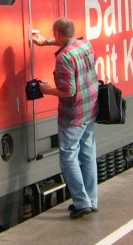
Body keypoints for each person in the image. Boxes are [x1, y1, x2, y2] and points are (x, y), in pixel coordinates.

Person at [33, 18, 99, 219]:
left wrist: (46, 90)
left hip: (74, 115)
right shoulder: (84, 44)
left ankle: (81, 202)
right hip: (91, 108)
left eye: (54, 34)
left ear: (57, 33)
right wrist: (45, 42)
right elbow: (67, 41)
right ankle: (91, 200)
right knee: (87, 153)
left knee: (68, 157)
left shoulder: (63, 59)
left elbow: (68, 91)